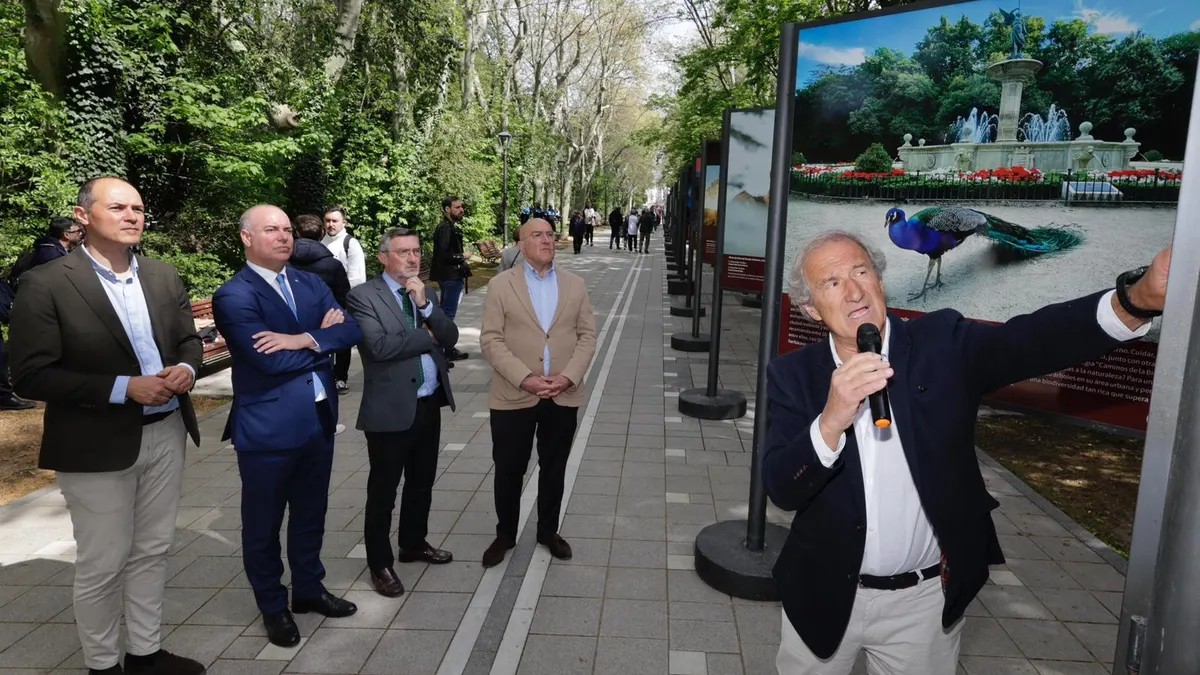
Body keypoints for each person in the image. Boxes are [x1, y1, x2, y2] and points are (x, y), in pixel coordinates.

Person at [763, 230, 1170, 673]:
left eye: (861, 272)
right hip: (821, 593)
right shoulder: (793, 376)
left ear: (880, 280)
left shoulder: (943, 343)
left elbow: (1035, 340)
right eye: (833, 283)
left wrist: (1135, 300)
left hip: (922, 606)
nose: (855, 291)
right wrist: (831, 419)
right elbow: (784, 488)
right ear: (810, 309)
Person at [8, 177, 204, 675]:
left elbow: (188, 341)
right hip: (95, 442)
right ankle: (102, 666)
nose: (132, 215)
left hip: (166, 432)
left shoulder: (162, 276)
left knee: (153, 550)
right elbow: (30, 374)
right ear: (83, 216)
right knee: (102, 563)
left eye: (138, 207)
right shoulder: (47, 282)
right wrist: (123, 387)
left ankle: (145, 654)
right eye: (117, 206)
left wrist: (187, 369)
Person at [213, 204, 363, 648]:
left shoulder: (309, 280)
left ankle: (309, 590)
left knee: (311, 514)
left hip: (318, 420)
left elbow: (351, 330)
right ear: (246, 237)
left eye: (286, 229)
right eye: (271, 230)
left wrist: (302, 338)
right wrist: (322, 336)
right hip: (268, 428)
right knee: (263, 524)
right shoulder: (235, 295)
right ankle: (273, 606)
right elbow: (267, 360)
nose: (284, 237)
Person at [345, 227, 459, 598]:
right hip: (390, 411)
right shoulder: (363, 296)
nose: (412, 259)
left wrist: (426, 308)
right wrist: (428, 336)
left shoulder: (428, 292)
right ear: (383, 258)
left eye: (416, 252)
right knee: (383, 491)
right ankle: (380, 564)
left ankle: (414, 543)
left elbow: (452, 335)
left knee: (421, 483)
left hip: (428, 403)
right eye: (403, 252)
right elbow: (378, 347)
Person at [479, 217, 597, 568]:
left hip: (562, 395)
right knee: (509, 468)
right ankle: (505, 534)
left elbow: (587, 336)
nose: (546, 240)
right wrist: (525, 377)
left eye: (549, 234)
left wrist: (569, 377)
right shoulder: (501, 285)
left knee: (555, 467)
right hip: (514, 395)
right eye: (537, 235)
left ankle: (548, 531)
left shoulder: (575, 285)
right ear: (521, 245)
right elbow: (490, 340)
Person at [321, 205, 365, 394]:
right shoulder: (320, 242)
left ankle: (340, 377)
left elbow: (358, 278)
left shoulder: (350, 243)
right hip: (322, 301)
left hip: (344, 301)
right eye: (328, 221)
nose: (331, 224)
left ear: (343, 222)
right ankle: (326, 376)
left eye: (334, 221)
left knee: (342, 342)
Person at [430, 196, 471, 363]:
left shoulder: (448, 227)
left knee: (446, 314)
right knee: (448, 314)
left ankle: (446, 348)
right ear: (448, 209)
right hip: (450, 276)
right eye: (457, 207)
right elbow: (443, 254)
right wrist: (461, 256)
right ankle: (443, 350)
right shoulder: (445, 228)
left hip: (450, 275)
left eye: (461, 207)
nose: (461, 210)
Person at [290, 215, 350, 308]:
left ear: (297, 233)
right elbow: (342, 299)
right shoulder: (334, 265)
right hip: (326, 316)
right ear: (322, 234)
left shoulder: (280, 261)